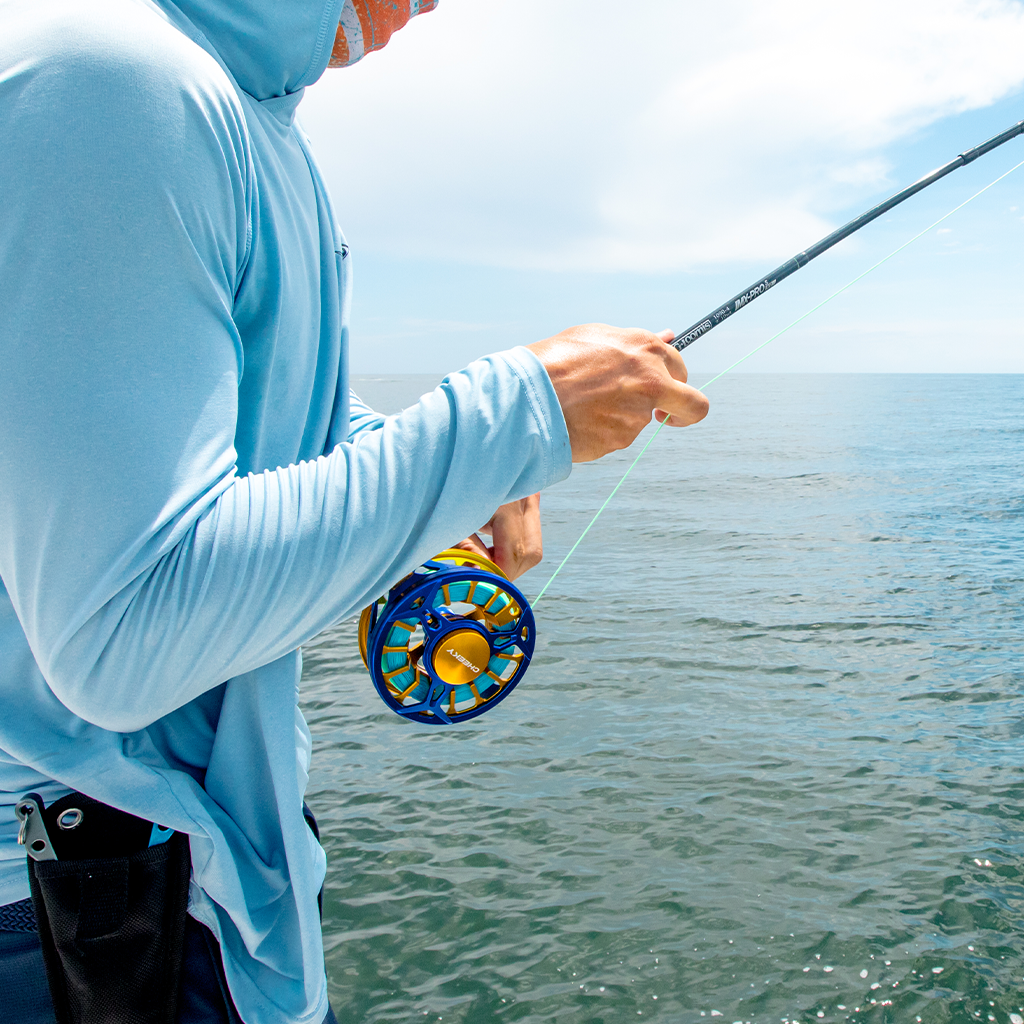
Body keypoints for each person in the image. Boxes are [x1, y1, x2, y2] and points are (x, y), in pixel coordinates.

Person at [0, 0, 709, 1021]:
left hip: (190, 883)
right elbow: (124, 626)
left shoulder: (256, 130)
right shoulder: (111, 80)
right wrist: (516, 417)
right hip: (67, 921)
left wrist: (435, 496)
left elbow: (286, 433)